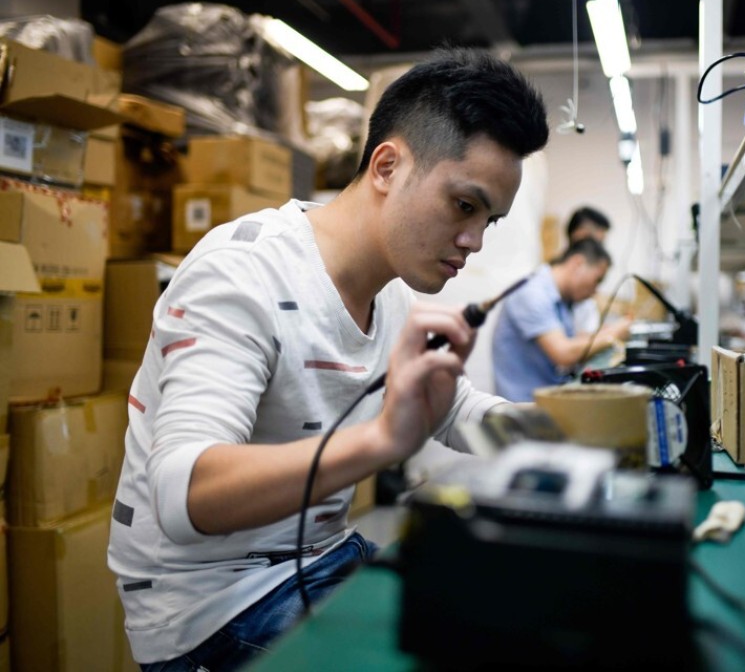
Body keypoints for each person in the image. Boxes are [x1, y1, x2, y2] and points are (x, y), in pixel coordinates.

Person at [108, 48, 549, 671]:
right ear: (388, 166)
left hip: (321, 559)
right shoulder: (243, 273)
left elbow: (452, 408)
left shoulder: (388, 293)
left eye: (489, 220)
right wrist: (379, 441)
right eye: (463, 205)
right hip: (211, 611)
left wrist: (561, 432)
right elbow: (184, 497)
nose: (474, 241)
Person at [491, 238, 631, 402]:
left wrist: (602, 333)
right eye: (597, 280)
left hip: (544, 397)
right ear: (577, 263)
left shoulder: (561, 299)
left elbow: (570, 341)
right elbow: (563, 353)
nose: (595, 291)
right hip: (523, 407)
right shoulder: (533, 293)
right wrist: (612, 336)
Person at [565, 205, 613, 334]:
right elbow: (563, 349)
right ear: (580, 236)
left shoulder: (583, 294)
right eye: (599, 244)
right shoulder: (548, 287)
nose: (601, 251)